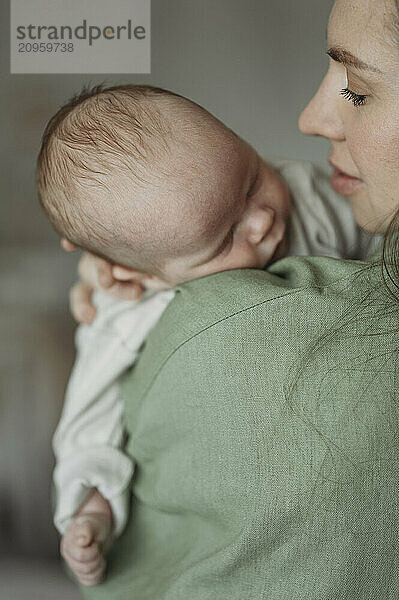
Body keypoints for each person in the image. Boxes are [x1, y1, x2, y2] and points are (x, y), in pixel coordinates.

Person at [61, 0, 399, 596]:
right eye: (223, 237)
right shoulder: (128, 312)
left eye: (251, 177)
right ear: (146, 271)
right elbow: (88, 421)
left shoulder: (306, 190)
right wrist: (89, 506)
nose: (265, 220)